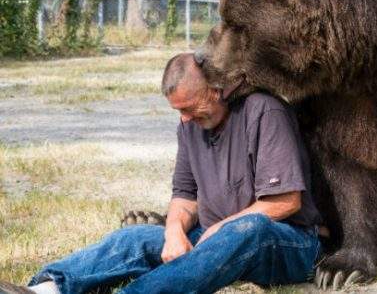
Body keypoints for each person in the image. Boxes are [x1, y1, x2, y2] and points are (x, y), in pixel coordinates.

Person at [0, 53, 322, 294]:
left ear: (216, 89)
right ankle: (47, 288)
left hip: (286, 241)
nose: (183, 118)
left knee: (248, 228)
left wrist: (223, 229)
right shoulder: (189, 127)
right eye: (177, 110)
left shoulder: (264, 111)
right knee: (133, 238)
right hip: (213, 236)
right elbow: (184, 195)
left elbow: (285, 201)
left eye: (188, 107)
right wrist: (174, 231)